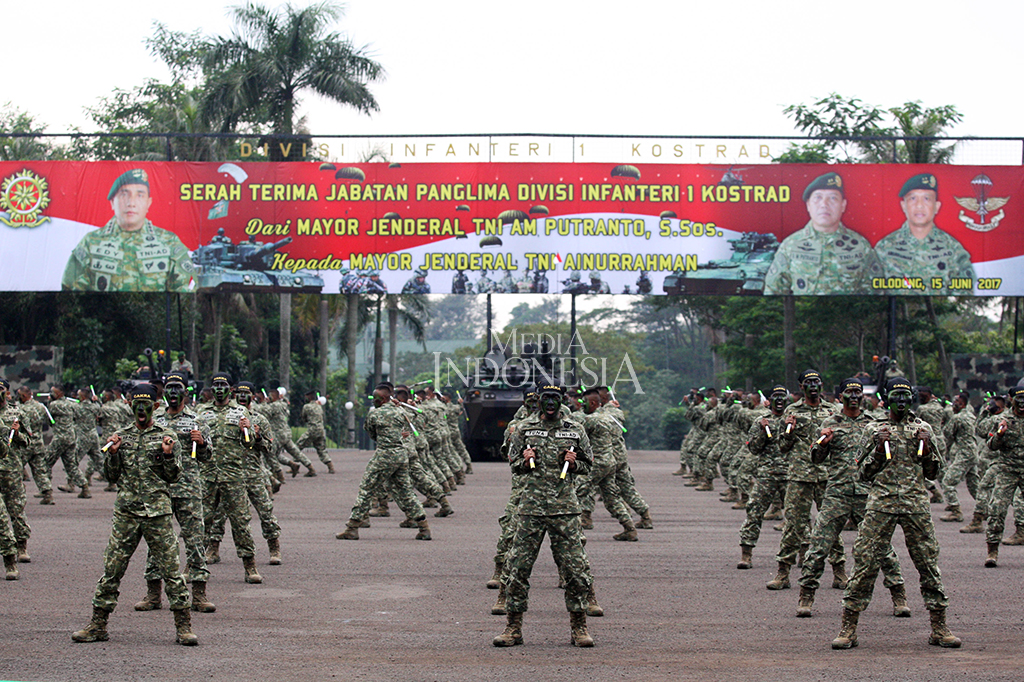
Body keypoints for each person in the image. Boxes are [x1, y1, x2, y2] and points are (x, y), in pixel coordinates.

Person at [833, 377, 960, 650]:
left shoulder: (922, 428)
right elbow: (862, 473)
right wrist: (879, 450)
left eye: (905, 396)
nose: (901, 402)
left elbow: (934, 473)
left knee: (927, 563)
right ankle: (848, 627)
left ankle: (939, 626)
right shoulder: (874, 429)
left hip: (915, 504)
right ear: (886, 398)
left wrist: (925, 449)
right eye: (895, 396)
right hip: (881, 503)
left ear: (912, 399)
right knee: (865, 563)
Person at [71, 384, 198, 646]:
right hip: (127, 513)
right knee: (112, 569)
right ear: (131, 406)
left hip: (157, 513)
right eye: (136, 404)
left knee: (172, 572)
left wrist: (166, 455)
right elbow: (111, 476)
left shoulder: (167, 435)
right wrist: (114, 455)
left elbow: (174, 475)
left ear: (154, 406)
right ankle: (98, 624)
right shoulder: (120, 436)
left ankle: (183, 627)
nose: (141, 409)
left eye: (146, 404)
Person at [796, 378, 908, 618]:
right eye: (849, 392)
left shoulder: (873, 423)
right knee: (818, 546)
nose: (855, 396)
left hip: (866, 493)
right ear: (840, 397)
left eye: (858, 392)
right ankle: (806, 595)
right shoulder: (830, 423)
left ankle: (899, 596)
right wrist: (824, 443)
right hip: (837, 493)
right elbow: (815, 458)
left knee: (882, 548)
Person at [494, 384, 595, 648]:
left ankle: (579, 627)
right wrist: (525, 459)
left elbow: (588, 465)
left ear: (562, 400)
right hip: (531, 509)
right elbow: (514, 465)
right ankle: (513, 628)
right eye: (546, 398)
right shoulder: (525, 429)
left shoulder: (575, 429)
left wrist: (574, 463)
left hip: (565, 510)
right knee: (517, 569)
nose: (550, 403)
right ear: (538, 400)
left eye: (555, 398)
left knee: (574, 569)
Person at [134, 373, 215, 614]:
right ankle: (153, 594)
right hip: (159, 488)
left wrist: (201, 444)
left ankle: (199, 594)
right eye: (168, 388)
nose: (172, 392)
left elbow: (207, 457)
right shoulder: (154, 418)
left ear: (185, 392)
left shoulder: (197, 420)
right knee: (156, 541)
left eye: (177, 388)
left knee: (195, 540)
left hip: (188, 487)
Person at [767, 369, 843, 590]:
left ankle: (839, 572)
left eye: (816, 381)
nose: (813, 385)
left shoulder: (833, 411)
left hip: (826, 476)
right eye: (808, 382)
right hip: (800, 475)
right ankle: (783, 574)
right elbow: (782, 446)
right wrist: (789, 430)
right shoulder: (792, 411)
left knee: (831, 526)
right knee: (793, 526)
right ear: (801, 387)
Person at [62, 169, 195, 292]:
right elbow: (69, 288)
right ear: (112, 202)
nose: (131, 203)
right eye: (124, 195)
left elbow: (183, 290)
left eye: (140, 195)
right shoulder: (91, 242)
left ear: (149, 203)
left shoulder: (169, 241)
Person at [335, 384, 431, 541]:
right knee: (405, 491)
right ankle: (423, 527)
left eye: (377, 398)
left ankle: (352, 527)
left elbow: (371, 432)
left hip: (385, 455)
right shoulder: (400, 411)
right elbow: (414, 416)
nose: (374, 401)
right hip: (401, 455)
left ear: (385, 398)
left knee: (367, 488)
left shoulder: (375, 414)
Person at [195, 372, 264, 585]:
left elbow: (249, 445)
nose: (218, 389)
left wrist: (248, 431)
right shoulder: (201, 412)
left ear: (230, 389)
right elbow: (195, 447)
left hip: (233, 475)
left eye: (223, 385)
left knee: (240, 522)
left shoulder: (240, 411)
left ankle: (250, 566)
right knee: (201, 522)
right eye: (215, 385)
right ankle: (193, 565)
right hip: (207, 474)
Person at [763, 172, 883, 295]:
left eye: (833, 198)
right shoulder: (790, 245)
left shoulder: (861, 246)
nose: (824, 205)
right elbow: (773, 290)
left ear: (843, 205)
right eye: (818, 198)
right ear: (808, 205)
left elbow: (876, 289)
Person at [874, 173, 975, 295]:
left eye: (927, 198)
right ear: (903, 206)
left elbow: (963, 293)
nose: (919, 205)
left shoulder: (953, 249)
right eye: (912, 198)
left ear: (937, 207)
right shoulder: (884, 248)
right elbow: (872, 291)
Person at [981, 385, 1024, 568]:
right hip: (1007, 470)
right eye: (1019, 400)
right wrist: (1000, 433)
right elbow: (991, 446)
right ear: (1011, 400)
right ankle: (992, 551)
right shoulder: (1001, 419)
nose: (1022, 405)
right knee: (997, 510)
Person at [296, 391, 330, 474]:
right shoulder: (319, 406)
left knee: (297, 446)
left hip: (312, 430)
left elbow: (304, 418)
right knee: (321, 448)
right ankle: (330, 466)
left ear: (309, 397)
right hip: (320, 429)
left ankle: (295, 465)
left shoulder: (306, 407)